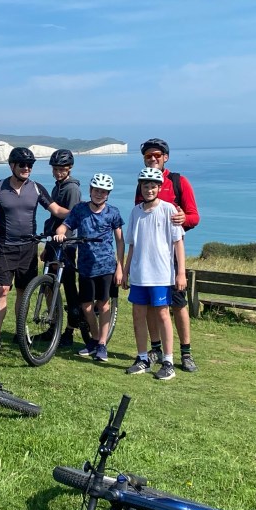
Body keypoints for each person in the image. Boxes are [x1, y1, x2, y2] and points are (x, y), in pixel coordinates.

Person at [0, 147, 69, 352]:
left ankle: (20, 329)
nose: (26, 168)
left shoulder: (37, 188)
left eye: (30, 165)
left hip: (29, 248)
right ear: (12, 165)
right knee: (1, 290)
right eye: (22, 164)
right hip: (5, 247)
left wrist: (80, 211)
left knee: (24, 291)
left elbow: (55, 209)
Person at [135, 138, 200, 373]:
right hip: (148, 256)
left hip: (171, 254)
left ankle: (186, 352)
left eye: (157, 156)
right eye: (148, 156)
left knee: (178, 304)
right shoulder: (143, 182)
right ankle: (155, 349)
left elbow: (194, 216)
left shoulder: (178, 181)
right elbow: (140, 216)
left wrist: (185, 220)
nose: (153, 159)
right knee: (152, 305)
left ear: (166, 157)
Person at [123, 167, 186, 380]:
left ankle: (168, 361)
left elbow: (178, 243)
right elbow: (131, 244)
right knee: (137, 315)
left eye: (153, 186)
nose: (149, 189)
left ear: (159, 187)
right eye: (145, 186)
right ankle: (142, 358)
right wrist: (125, 269)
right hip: (139, 273)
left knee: (162, 314)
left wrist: (181, 273)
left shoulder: (169, 210)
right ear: (140, 188)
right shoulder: (135, 211)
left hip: (161, 273)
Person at [54, 173, 124, 361]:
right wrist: (60, 233)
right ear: (90, 191)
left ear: (108, 194)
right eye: (96, 190)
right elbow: (65, 226)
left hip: (107, 266)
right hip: (85, 267)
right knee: (86, 307)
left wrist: (120, 267)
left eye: (103, 191)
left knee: (103, 304)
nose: (99, 194)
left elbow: (120, 241)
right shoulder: (79, 210)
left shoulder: (113, 213)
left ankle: (102, 344)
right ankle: (94, 340)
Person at [41, 149, 82, 347]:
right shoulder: (59, 186)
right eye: (55, 169)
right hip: (53, 240)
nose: (58, 172)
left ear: (69, 169)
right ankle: (53, 325)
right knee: (49, 283)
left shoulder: (71, 188)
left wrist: (62, 234)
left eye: (62, 169)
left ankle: (70, 330)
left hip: (66, 243)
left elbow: (73, 215)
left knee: (67, 285)